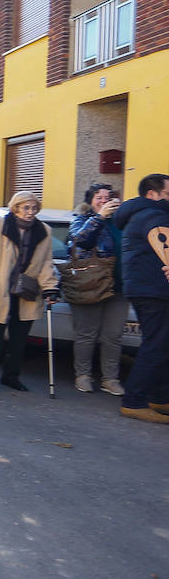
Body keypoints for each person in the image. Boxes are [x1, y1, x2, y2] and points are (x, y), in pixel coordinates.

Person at [0, 191, 59, 392]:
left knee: (19, 340)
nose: (30, 212)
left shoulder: (44, 231)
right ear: (15, 208)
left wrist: (50, 287)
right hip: (0, 289)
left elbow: (47, 262)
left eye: (34, 208)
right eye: (26, 208)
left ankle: (11, 376)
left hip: (26, 291)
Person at [111, 174, 169, 422]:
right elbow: (165, 245)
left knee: (161, 345)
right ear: (153, 194)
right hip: (154, 290)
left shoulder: (140, 213)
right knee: (155, 345)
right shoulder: (155, 215)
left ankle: (159, 397)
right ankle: (134, 401)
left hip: (146, 288)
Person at [67, 183, 126, 395]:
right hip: (90, 285)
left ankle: (110, 379)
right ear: (90, 201)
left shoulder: (121, 222)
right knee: (87, 334)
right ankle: (83, 375)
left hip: (118, 288)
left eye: (108, 197)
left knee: (113, 336)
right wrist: (99, 217)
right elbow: (79, 241)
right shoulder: (82, 220)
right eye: (99, 197)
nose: (104, 201)